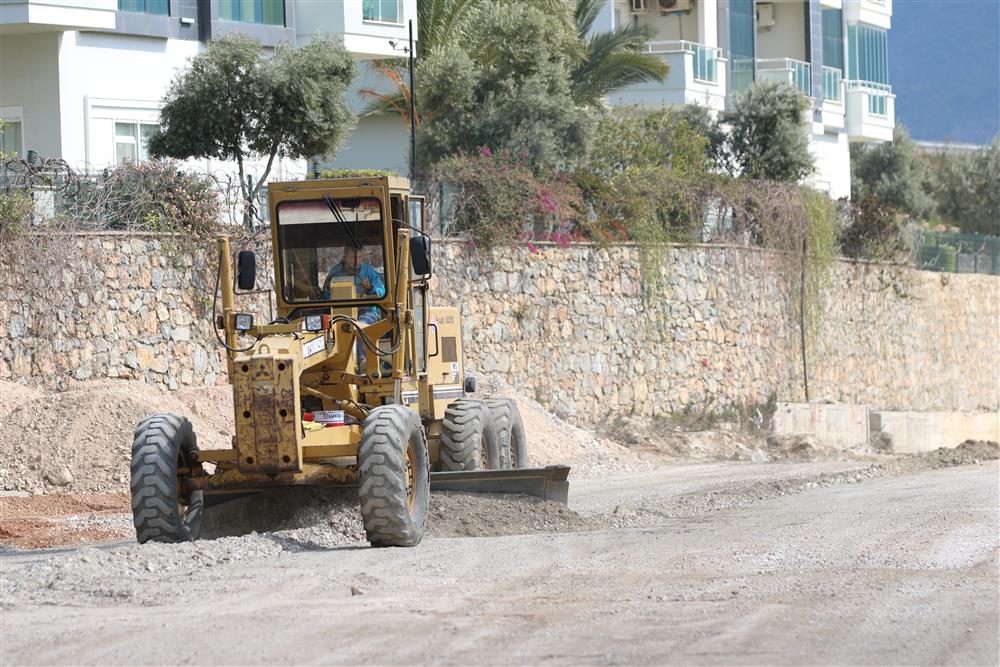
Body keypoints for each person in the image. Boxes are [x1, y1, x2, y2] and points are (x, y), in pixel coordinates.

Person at [321, 245, 386, 324]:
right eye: (353, 257)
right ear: (345, 257)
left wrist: (370, 287)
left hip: (366, 310)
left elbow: (383, 292)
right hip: (339, 310)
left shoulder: (368, 271)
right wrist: (330, 290)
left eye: (359, 257)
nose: (357, 261)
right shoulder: (335, 272)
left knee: (361, 325)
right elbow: (325, 296)